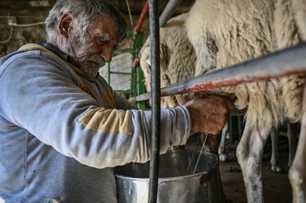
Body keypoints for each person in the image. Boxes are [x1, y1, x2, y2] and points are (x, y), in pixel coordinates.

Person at [0, 0, 230, 202]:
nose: (108, 57)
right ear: (66, 25)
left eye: (113, 47)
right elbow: (88, 135)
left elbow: (127, 118)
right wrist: (189, 119)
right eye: (101, 40)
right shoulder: (25, 72)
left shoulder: (92, 82)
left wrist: (183, 132)